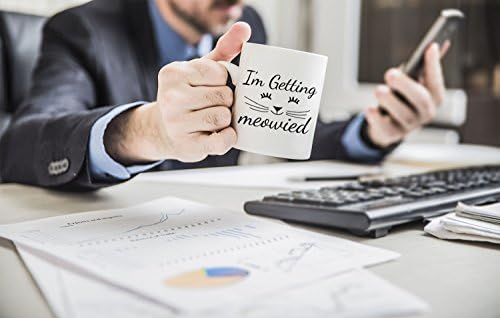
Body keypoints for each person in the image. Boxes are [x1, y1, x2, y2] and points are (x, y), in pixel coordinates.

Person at [0, 0, 446, 190]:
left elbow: (282, 129)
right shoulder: (80, 29)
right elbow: (22, 143)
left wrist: (372, 131)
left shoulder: (244, 20)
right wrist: (147, 130)